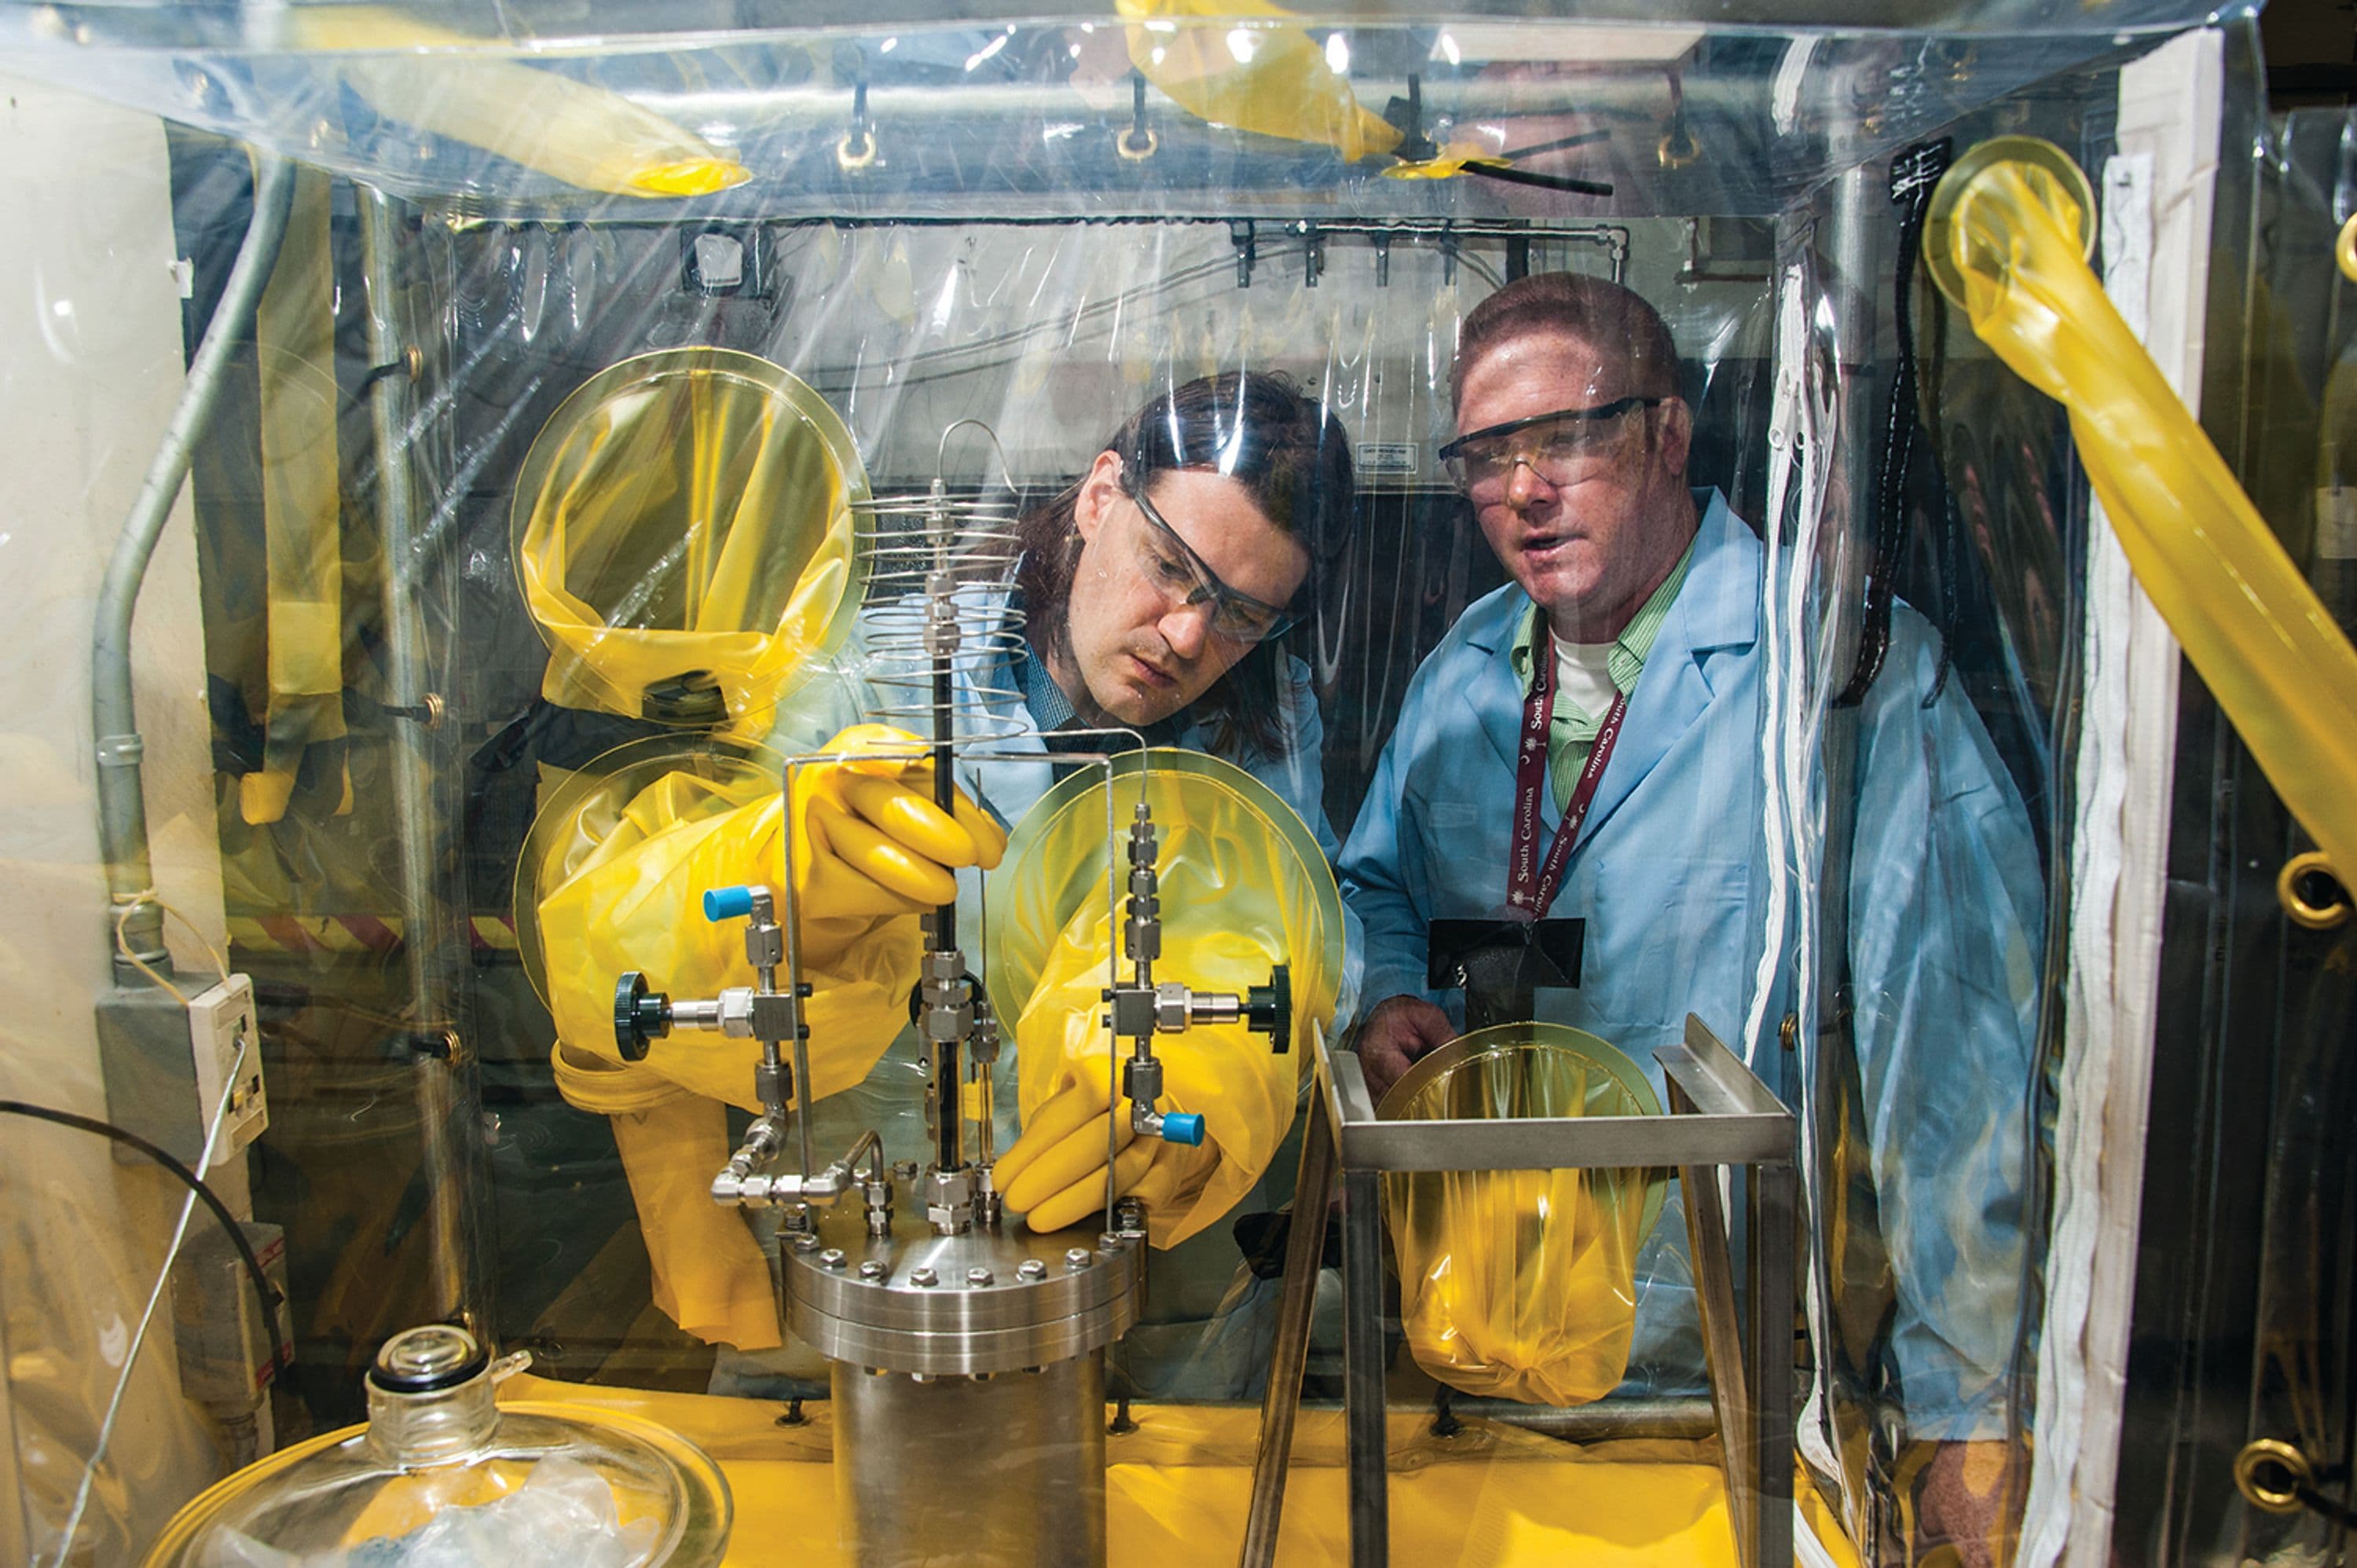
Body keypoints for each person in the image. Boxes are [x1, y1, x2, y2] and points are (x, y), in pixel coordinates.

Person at [1336, 273, 2041, 1556]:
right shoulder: (1464, 674)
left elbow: (1957, 1066)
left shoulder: (1840, 672)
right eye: (1487, 455)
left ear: (1669, 433)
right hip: (1482, 1348)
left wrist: (1966, 1409)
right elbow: (1377, 881)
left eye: (1567, 438)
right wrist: (1387, 988)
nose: (1525, 490)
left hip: (1733, 1371)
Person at [716, 368, 1358, 1400]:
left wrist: (1217, 1070)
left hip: (1147, 1292)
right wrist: (781, 884)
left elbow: (1316, 934)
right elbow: (706, 933)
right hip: (872, 1269)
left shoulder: (1263, 725)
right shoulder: (877, 675)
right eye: (1171, 568)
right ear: (1102, 495)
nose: (1189, 637)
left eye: (1242, 613)